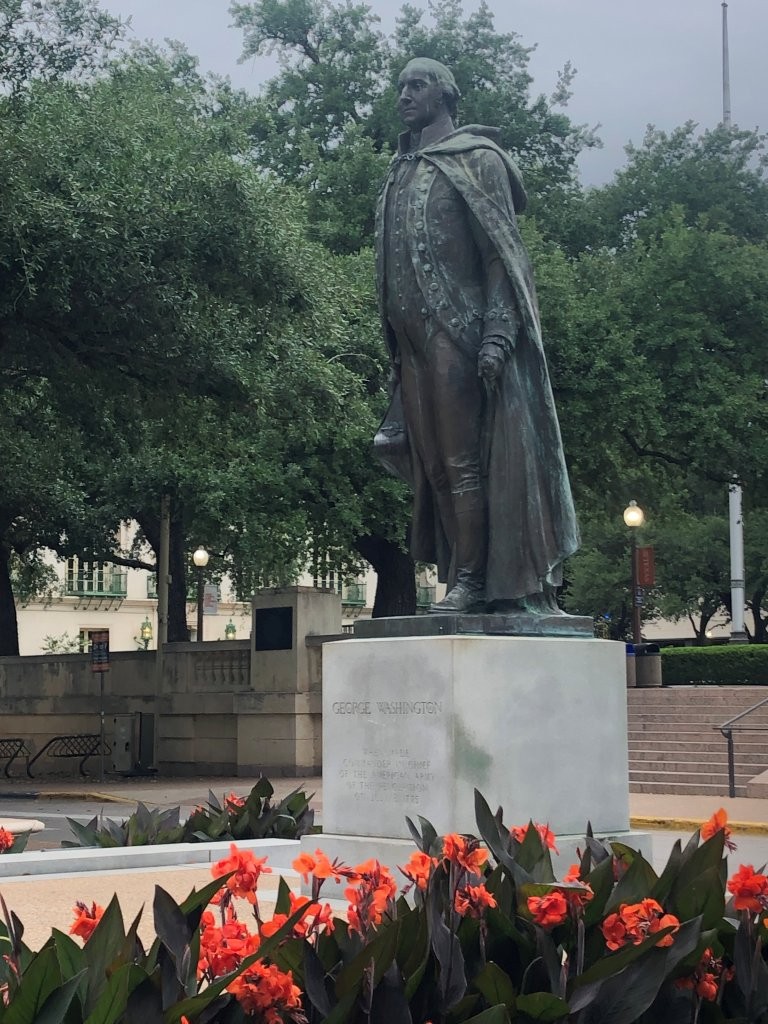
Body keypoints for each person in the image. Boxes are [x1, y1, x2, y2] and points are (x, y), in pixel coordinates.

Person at [374, 57, 579, 614]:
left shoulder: (478, 159)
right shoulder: (402, 167)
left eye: (417, 86)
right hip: (411, 341)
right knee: (433, 465)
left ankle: (474, 580)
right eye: (400, 88)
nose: (405, 96)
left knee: (464, 462)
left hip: (458, 331)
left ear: (445, 93)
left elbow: (501, 259)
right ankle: (464, 572)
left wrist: (496, 336)